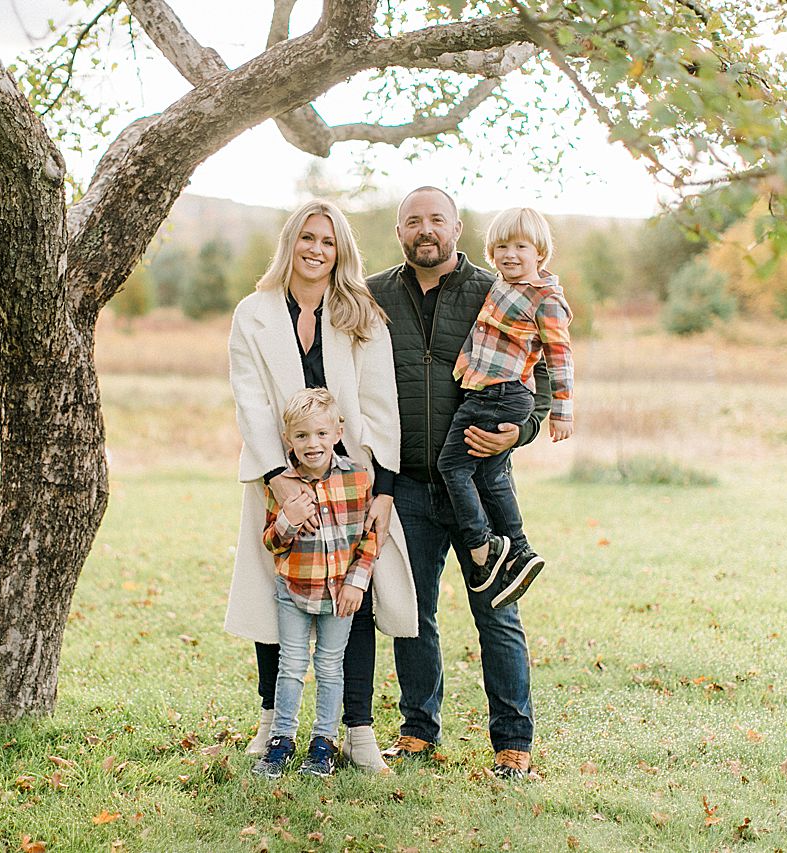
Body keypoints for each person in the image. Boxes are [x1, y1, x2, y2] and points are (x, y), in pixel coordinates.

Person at [224, 200, 417, 775]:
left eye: (328, 242)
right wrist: (279, 481)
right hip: (278, 473)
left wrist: (383, 489)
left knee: (351, 597)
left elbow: (382, 404)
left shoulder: (360, 314)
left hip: (352, 479)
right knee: (274, 591)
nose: (315, 249)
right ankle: (271, 722)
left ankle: (356, 730)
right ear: (290, 242)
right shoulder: (253, 313)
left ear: (341, 252)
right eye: (307, 237)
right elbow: (250, 399)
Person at [366, 187, 552, 780]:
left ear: (458, 228)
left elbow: (542, 371)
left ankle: (513, 743)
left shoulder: (497, 290)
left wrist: (518, 432)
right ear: (399, 231)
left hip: (478, 479)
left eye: (436, 220)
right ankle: (419, 731)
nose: (426, 230)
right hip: (408, 488)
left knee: (496, 612)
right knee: (411, 612)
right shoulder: (374, 296)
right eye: (413, 220)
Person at [437, 206, 573, 609]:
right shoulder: (500, 284)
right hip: (488, 390)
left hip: (499, 394)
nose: (509, 254)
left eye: (520, 246)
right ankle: (521, 553)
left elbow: (559, 355)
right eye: (500, 247)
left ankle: (484, 547)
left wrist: (562, 411)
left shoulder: (545, 298)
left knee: (453, 466)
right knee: (492, 475)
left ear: (540, 253)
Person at [251, 388, 378, 778]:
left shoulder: (356, 478)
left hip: (340, 594)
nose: (312, 444)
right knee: (290, 665)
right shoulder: (283, 485)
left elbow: (368, 538)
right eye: (302, 436)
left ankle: (324, 741)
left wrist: (357, 583)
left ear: (338, 432)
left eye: (321, 434)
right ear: (288, 439)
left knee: (329, 665)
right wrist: (289, 518)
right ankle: (282, 739)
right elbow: (271, 540)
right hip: (294, 591)